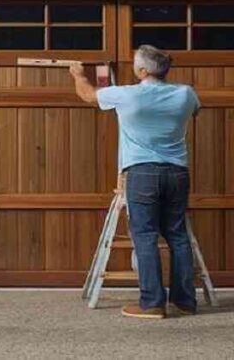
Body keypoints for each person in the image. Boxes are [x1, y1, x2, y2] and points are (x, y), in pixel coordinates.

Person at [69, 45, 200, 320]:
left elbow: (88, 96)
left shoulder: (127, 95)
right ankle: (185, 301)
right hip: (177, 172)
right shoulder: (186, 94)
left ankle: (152, 303)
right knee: (177, 235)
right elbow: (194, 111)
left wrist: (78, 74)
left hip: (142, 173)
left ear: (142, 71)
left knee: (145, 235)